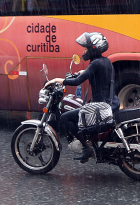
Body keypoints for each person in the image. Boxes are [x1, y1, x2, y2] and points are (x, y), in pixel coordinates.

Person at [47, 32, 120, 163]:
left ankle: (87, 148)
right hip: (112, 103)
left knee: (65, 118)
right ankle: (89, 142)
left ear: (94, 49)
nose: (83, 51)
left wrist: (58, 80)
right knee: (80, 113)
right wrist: (85, 72)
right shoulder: (106, 61)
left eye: (85, 48)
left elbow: (77, 81)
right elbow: (100, 75)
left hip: (100, 107)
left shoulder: (95, 64)